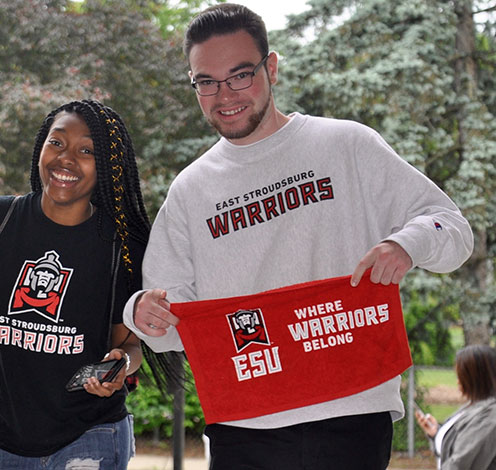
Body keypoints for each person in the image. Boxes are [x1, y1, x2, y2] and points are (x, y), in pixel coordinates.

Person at [124, 4, 475, 469]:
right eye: (205, 81)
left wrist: (406, 244)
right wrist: (140, 311)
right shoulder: (190, 191)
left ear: (271, 67)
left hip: (351, 413)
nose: (223, 94)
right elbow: (173, 326)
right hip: (244, 423)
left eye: (240, 75)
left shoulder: (346, 145)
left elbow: (452, 228)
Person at [0, 99, 149, 468]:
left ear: (108, 165)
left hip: (91, 436)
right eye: (56, 142)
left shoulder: (120, 247)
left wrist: (121, 364)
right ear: (41, 147)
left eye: (87, 150)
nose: (66, 159)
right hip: (12, 444)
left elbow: (129, 344)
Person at [415, 345, 496, 469]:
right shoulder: (479, 405)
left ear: (475, 377)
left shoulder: (491, 417)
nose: (458, 381)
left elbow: (462, 464)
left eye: (461, 375)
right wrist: (436, 433)